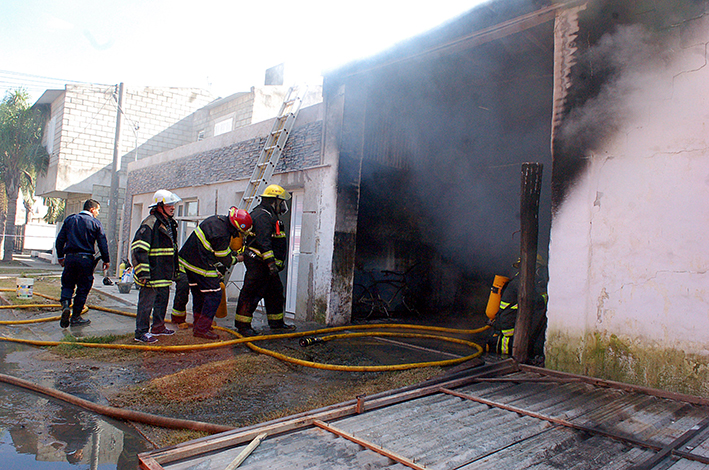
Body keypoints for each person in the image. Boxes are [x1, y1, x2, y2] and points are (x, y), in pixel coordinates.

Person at [178, 207, 253, 339]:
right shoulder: (222, 233)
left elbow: (216, 249)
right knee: (214, 295)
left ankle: (199, 326)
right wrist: (238, 258)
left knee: (200, 295)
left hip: (188, 261)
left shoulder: (217, 220)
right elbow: (225, 259)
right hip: (200, 264)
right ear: (237, 227)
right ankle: (202, 329)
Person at [234, 184, 296, 336]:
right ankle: (243, 326)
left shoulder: (268, 214)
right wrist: (271, 263)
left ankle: (276, 323)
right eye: (281, 202)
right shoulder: (262, 215)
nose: (283, 206)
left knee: (275, 292)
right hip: (259, 263)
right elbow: (264, 242)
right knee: (251, 293)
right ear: (274, 201)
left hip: (265, 264)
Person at [131, 189, 181, 343]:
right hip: (152, 273)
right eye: (169, 205)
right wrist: (144, 273)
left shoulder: (169, 223)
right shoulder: (150, 223)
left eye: (173, 204)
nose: (173, 207)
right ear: (159, 206)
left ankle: (158, 327)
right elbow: (139, 249)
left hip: (163, 273)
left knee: (162, 300)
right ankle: (141, 332)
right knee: (146, 303)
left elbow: (171, 250)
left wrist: (174, 270)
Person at [55, 199, 109, 328]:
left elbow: (60, 239)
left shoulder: (70, 220)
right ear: (92, 209)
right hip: (85, 260)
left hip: (70, 258)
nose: (97, 213)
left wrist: (60, 256)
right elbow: (102, 243)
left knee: (67, 284)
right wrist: (106, 260)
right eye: (97, 210)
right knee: (83, 288)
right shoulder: (95, 223)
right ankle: (76, 317)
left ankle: (66, 305)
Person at [486, 254, 548, 366]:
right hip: (508, 335)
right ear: (536, 268)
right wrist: (548, 294)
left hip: (510, 331)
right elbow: (538, 302)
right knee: (506, 364)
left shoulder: (520, 281)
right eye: (540, 269)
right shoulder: (521, 284)